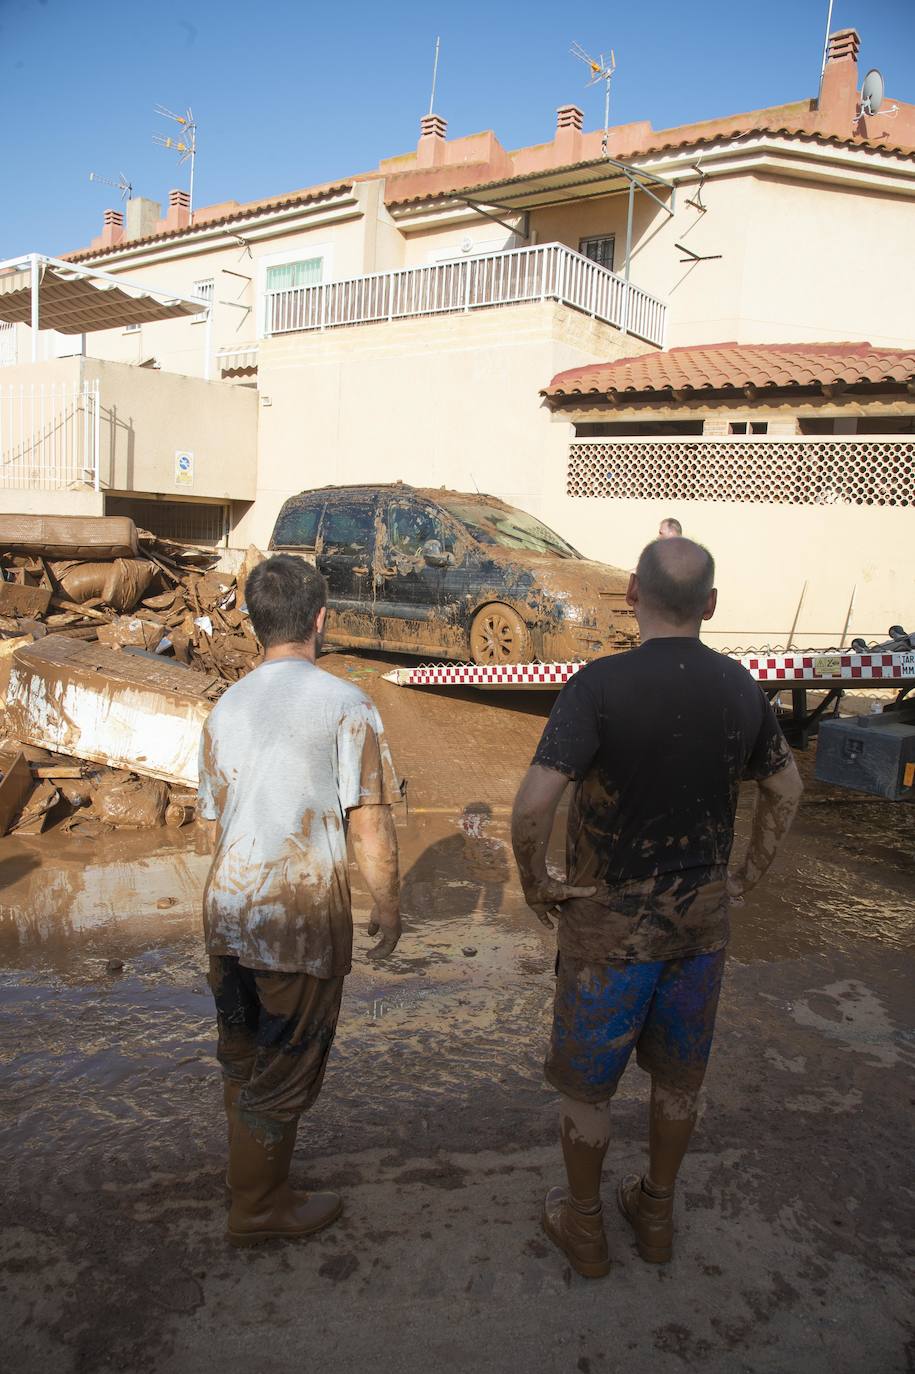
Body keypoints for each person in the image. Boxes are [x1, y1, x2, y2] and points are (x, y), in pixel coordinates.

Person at [511, 537, 802, 1278]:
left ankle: (582, 1227)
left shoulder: (596, 685)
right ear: (709, 605)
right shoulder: (741, 687)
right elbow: (785, 790)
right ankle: (656, 1215)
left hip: (607, 930)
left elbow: (533, 805)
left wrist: (536, 880)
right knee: (678, 1083)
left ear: (632, 595)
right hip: (698, 924)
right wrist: (746, 877)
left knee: (586, 1089)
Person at [197, 554, 402, 1248]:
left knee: (243, 1056)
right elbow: (368, 819)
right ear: (320, 619)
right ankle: (258, 1209)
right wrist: (388, 903)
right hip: (298, 917)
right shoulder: (345, 703)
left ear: (257, 624)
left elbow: (213, 819)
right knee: (284, 1067)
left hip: (228, 909)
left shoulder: (224, 706)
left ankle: (251, 1183)